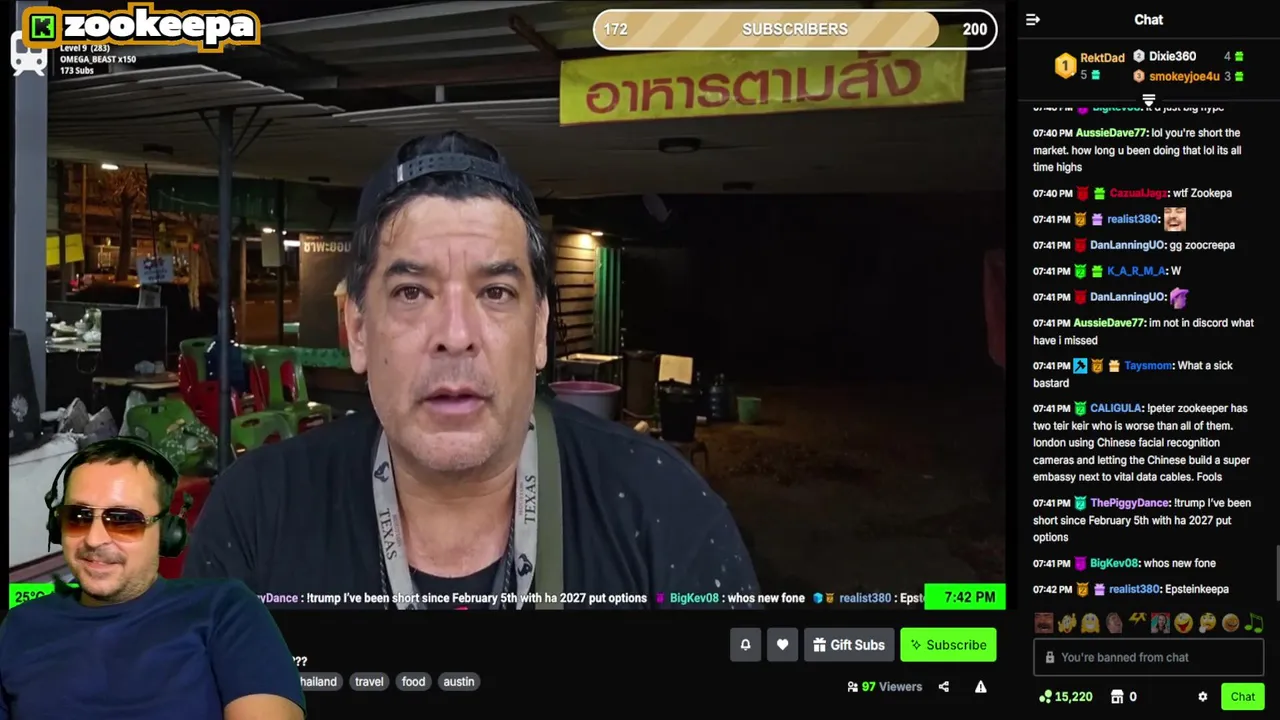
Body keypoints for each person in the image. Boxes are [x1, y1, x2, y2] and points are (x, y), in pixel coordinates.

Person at [184, 131, 758, 609]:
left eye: (496, 292)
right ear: (357, 330)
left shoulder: (662, 510)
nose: (455, 335)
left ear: (539, 330)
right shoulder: (255, 513)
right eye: (411, 292)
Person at [0, 438, 304, 719]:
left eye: (123, 521)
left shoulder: (226, 609)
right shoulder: (19, 626)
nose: (94, 539)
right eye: (78, 517)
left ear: (167, 533)